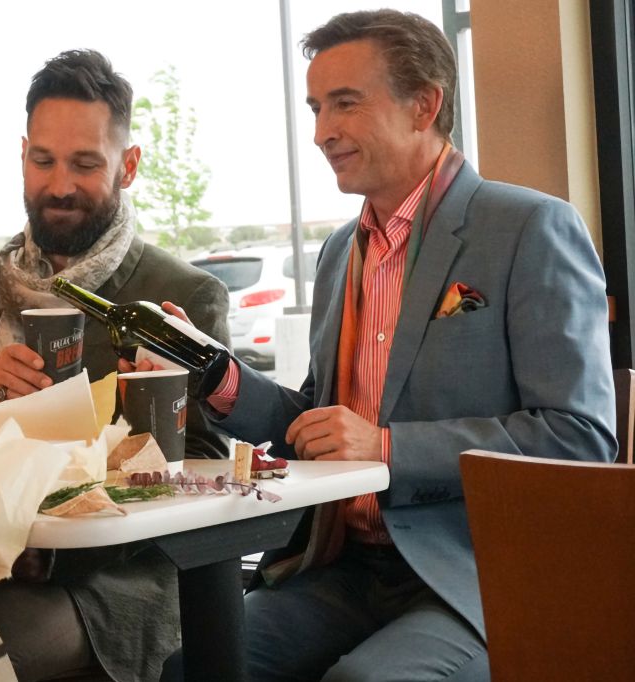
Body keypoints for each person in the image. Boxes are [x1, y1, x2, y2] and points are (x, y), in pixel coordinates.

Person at [163, 10, 614, 681]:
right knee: (197, 666)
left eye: (345, 103)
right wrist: (217, 375)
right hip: (346, 566)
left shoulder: (530, 228)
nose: (321, 132)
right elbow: (317, 425)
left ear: (424, 105)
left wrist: (387, 447)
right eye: (316, 108)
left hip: (476, 572)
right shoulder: (340, 253)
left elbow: (579, 438)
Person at [0, 49, 231, 681]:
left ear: (128, 165)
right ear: (22, 155)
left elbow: (207, 457)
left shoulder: (183, 293)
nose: (60, 186)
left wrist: (136, 428)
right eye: (44, 161)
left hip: (109, 579)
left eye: (85, 164)